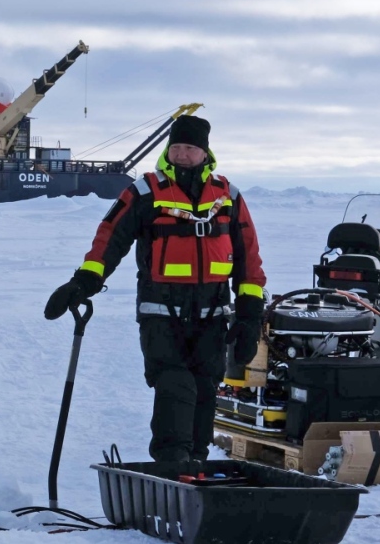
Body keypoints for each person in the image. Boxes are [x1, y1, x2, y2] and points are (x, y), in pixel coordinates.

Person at [45, 115, 266, 462]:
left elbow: (248, 260)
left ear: (204, 152)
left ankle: (195, 463)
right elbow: (110, 239)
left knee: (206, 387)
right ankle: (172, 463)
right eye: (176, 146)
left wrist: (250, 316)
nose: (181, 153)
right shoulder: (145, 191)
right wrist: (84, 281)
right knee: (175, 384)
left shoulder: (228, 195)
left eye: (189, 148)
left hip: (213, 313)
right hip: (161, 312)